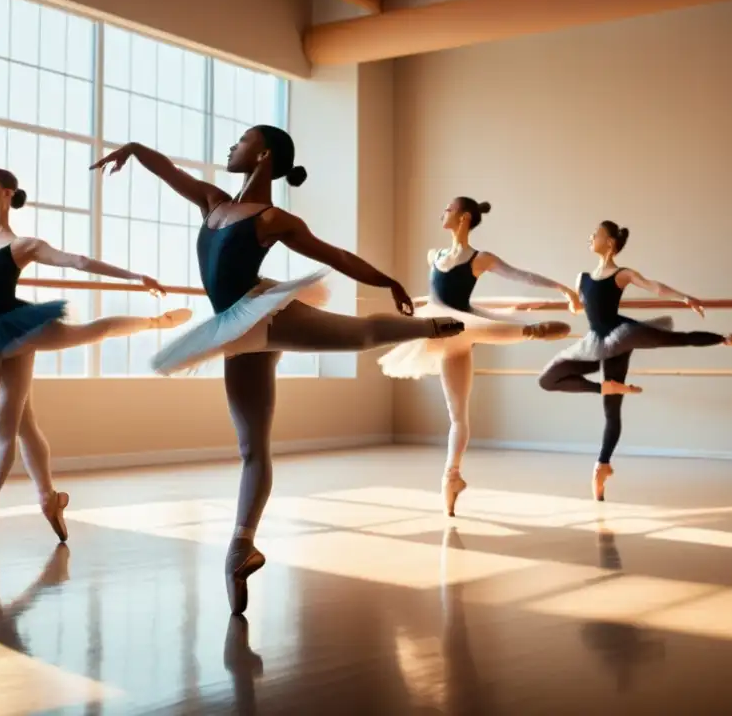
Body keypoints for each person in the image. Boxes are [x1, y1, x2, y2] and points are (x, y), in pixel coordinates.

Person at [91, 126, 463, 615]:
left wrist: (388, 279)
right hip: (234, 329)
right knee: (251, 447)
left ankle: (430, 327)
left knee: (359, 335)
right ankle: (241, 547)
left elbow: (336, 256)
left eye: (241, 140)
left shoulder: (274, 219)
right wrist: (136, 150)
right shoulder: (212, 201)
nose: (231, 147)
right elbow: (170, 173)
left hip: (264, 310)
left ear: (263, 154)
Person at [0, 169, 191, 554]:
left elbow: (77, 261)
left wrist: (134, 276)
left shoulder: (23, 245)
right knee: (24, 425)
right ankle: (50, 498)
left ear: (6, 193)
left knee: (20, 405)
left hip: (21, 330)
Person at [377, 196, 575, 516]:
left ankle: (531, 331)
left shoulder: (479, 258)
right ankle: (451, 477)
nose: (443, 212)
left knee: (468, 349)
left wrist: (564, 289)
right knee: (456, 410)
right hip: (440, 327)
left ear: (464, 217)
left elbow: (521, 276)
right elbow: (431, 296)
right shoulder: (434, 255)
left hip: (463, 326)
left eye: (449, 209)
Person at [538, 220, 732, 501]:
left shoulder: (621, 274)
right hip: (596, 341)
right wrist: (569, 298)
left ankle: (724, 337)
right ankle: (603, 450)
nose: (590, 236)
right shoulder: (582, 278)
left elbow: (655, 287)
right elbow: (580, 308)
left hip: (621, 334)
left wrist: (685, 297)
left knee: (675, 340)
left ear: (610, 243)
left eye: (597, 234)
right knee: (561, 386)